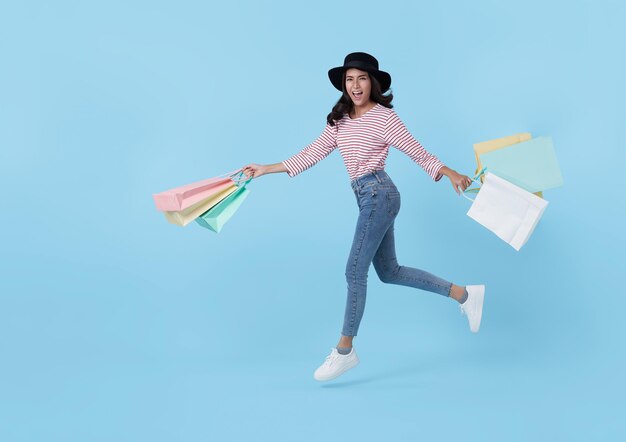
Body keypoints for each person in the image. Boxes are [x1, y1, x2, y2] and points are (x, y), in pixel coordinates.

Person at [242, 52, 485, 382]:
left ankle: (345, 350)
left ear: (373, 83)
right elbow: (312, 153)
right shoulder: (340, 121)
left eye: (362, 78)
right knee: (389, 271)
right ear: (344, 85)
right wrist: (265, 169)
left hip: (378, 194)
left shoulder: (385, 118)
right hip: (368, 197)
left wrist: (451, 172)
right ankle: (465, 294)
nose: (356, 85)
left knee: (354, 270)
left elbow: (418, 152)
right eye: (350, 79)